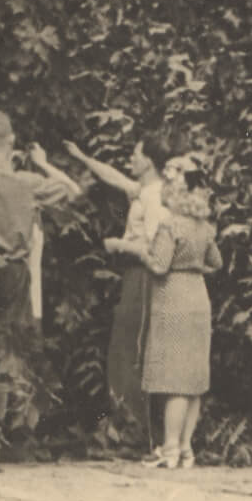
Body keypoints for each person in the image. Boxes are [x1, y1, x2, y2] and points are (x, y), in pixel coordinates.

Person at [0, 110, 82, 435]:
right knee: (10, 352)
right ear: (10, 140)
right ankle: (1, 431)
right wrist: (42, 162)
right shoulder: (27, 182)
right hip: (13, 273)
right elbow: (73, 191)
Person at [106, 155, 222, 469]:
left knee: (173, 379)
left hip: (173, 299)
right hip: (198, 297)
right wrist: (193, 266)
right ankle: (185, 449)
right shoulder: (204, 226)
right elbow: (216, 263)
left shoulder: (171, 224)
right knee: (193, 380)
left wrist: (131, 249)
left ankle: (169, 448)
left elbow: (159, 265)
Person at [64, 132, 170, 454]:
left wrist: (118, 245)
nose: (130, 160)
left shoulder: (155, 197)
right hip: (134, 277)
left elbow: (155, 249)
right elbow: (115, 178)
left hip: (144, 278)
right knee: (123, 352)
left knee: (130, 354)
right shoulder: (144, 190)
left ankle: (135, 435)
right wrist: (82, 158)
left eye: (135, 155)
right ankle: (127, 431)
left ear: (149, 161)